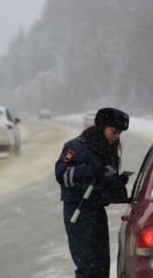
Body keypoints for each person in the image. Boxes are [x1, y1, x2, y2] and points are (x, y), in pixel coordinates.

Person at [55, 107, 130, 278]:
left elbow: (105, 181)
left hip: (97, 213)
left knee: (102, 265)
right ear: (102, 127)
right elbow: (61, 175)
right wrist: (86, 171)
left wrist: (116, 185)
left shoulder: (109, 151)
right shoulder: (76, 147)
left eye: (119, 133)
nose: (117, 136)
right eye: (114, 132)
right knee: (88, 268)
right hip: (79, 212)